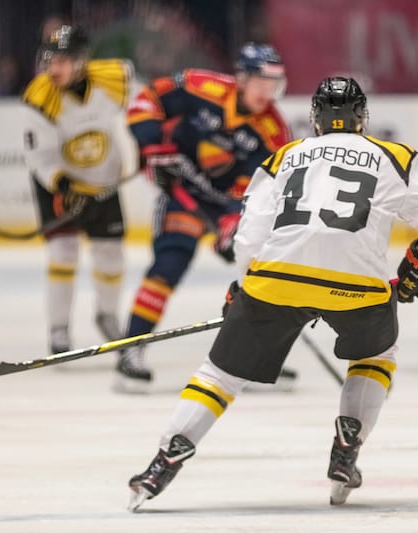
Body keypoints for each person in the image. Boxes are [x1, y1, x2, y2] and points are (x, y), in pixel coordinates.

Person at [126, 77, 418, 511]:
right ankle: (347, 447)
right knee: (375, 357)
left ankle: (166, 459)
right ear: (363, 119)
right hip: (357, 285)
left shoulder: (284, 156)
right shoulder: (394, 156)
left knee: (220, 375)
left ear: (314, 119)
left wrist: (242, 286)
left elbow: (249, 236)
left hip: (276, 279)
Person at [116, 42, 293, 392]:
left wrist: (233, 225)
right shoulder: (201, 87)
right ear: (241, 78)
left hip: (226, 206)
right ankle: (130, 349)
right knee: (168, 265)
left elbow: (261, 192)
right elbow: (146, 101)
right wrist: (152, 146)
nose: (267, 92)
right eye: (261, 82)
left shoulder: (272, 132)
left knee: (257, 277)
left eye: (274, 84)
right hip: (181, 193)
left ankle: (257, 358)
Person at [21, 25, 139, 355]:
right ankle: (58, 329)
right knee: (63, 253)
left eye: (62, 61)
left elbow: (145, 104)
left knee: (111, 253)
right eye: (50, 60)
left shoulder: (115, 78)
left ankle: (108, 316)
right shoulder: (39, 98)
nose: (53, 69)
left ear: (82, 61)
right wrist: (63, 186)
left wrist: (148, 143)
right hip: (59, 184)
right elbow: (39, 158)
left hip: (102, 181)